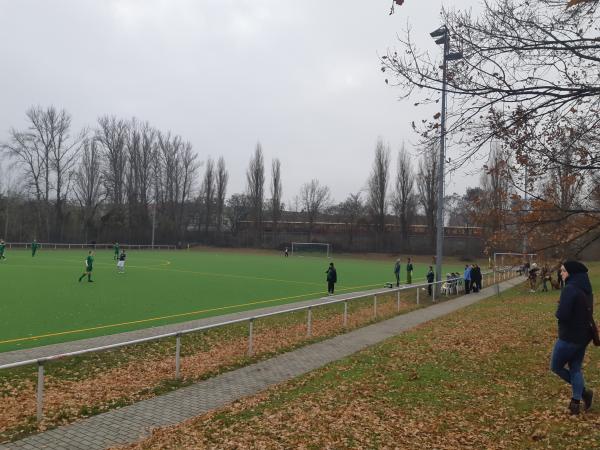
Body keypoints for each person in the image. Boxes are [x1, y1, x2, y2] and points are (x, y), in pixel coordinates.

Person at [550, 261, 594, 415]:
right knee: (575, 368)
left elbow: (562, 315)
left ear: (571, 272)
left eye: (563, 271)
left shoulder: (569, 289)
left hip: (569, 337)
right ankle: (575, 402)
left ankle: (583, 393)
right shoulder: (586, 288)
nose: (561, 273)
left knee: (555, 367)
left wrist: (560, 306)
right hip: (583, 337)